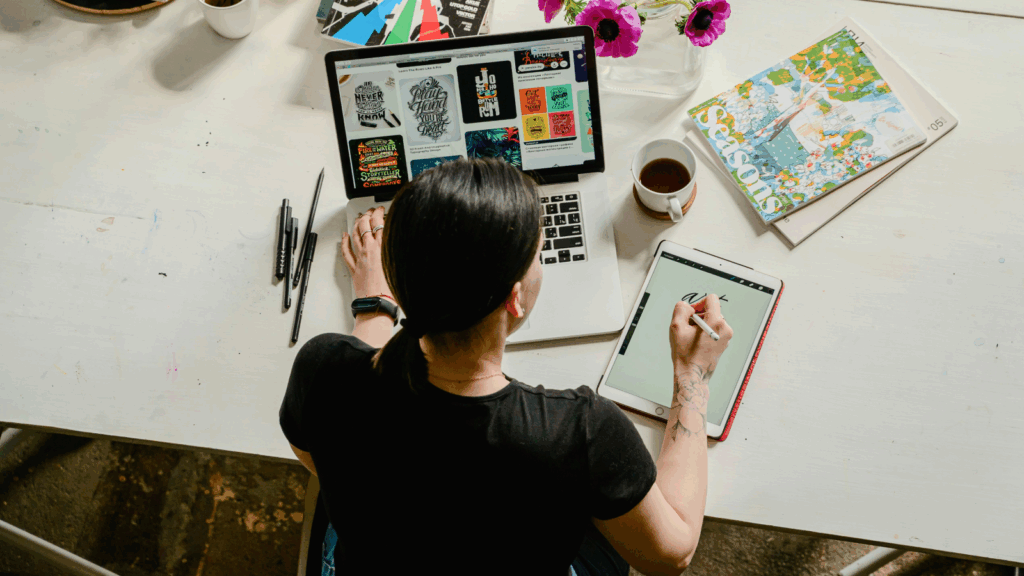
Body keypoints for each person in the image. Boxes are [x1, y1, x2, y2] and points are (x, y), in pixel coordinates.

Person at [279, 158, 734, 576]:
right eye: (538, 255)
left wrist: (373, 308)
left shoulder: (324, 369)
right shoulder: (578, 431)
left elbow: (317, 460)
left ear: (399, 277)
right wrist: (692, 376)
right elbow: (670, 555)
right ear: (515, 298)